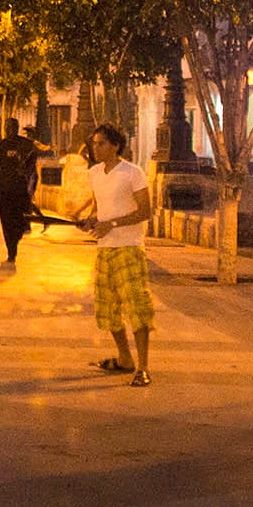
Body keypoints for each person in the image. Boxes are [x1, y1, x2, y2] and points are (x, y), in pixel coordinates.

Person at [74, 122, 157, 385]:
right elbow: (100, 208)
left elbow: (145, 211)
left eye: (100, 143)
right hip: (104, 249)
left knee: (137, 306)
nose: (95, 148)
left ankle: (142, 367)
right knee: (108, 308)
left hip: (129, 247)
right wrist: (90, 220)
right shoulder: (95, 173)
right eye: (94, 143)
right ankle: (124, 358)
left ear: (115, 145)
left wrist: (111, 224)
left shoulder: (133, 172)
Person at [0, 117, 41, 265]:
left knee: (18, 220)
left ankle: (15, 241)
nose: (10, 129)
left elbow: (33, 165)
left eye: (13, 126)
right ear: (5, 128)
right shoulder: (0, 147)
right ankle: (11, 250)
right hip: (4, 188)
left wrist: (25, 170)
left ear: (17, 127)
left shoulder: (26, 145)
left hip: (19, 188)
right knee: (5, 221)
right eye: (8, 126)